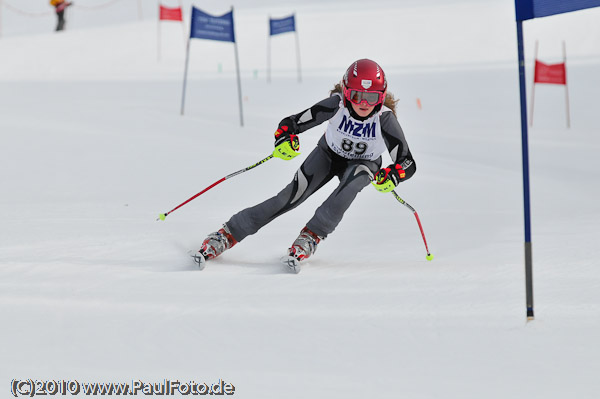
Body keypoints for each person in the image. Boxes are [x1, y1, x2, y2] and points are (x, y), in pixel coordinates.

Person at [191, 59, 417, 273]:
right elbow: (291, 123)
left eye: (371, 96)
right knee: (290, 197)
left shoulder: (385, 119)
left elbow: (407, 162)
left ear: (381, 96)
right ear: (347, 93)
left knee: (350, 186)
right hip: (328, 155)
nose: (364, 103)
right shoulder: (337, 105)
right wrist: (285, 137)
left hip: (365, 163)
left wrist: (394, 175)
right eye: (357, 95)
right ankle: (228, 233)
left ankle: (312, 235)